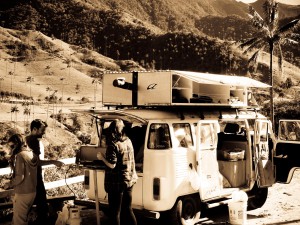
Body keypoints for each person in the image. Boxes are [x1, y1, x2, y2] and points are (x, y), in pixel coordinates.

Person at [97, 119, 138, 225]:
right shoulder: (128, 141)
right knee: (128, 209)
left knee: (115, 213)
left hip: (116, 183)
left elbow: (112, 164)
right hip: (129, 180)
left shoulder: (113, 145)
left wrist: (102, 158)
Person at [25, 119, 64, 225]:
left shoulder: (26, 139)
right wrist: (54, 162)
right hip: (36, 179)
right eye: (42, 130)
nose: (44, 133)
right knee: (42, 209)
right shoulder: (34, 141)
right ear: (34, 129)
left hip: (27, 180)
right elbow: (37, 162)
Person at [3, 134, 39, 225]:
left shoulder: (20, 156)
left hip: (23, 193)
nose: (11, 148)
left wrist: (9, 184)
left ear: (16, 144)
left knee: (19, 221)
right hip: (32, 192)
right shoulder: (31, 153)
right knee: (22, 219)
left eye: (12, 146)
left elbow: (20, 177)